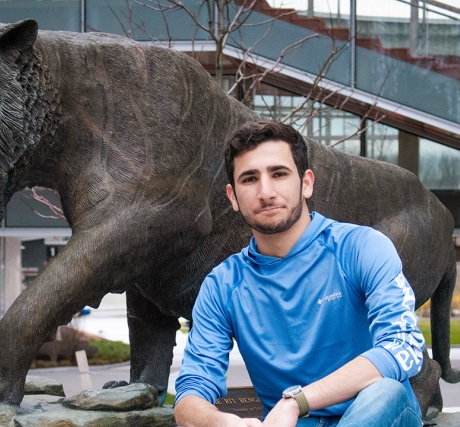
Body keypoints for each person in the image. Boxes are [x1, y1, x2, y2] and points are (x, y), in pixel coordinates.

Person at [174, 121, 425, 427]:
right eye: (250, 179)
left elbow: (403, 347)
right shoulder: (222, 286)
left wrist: (298, 402)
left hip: (378, 416)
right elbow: (189, 398)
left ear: (306, 183)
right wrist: (227, 423)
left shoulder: (361, 248)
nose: (266, 192)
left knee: (386, 391)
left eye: (279, 174)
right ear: (233, 197)